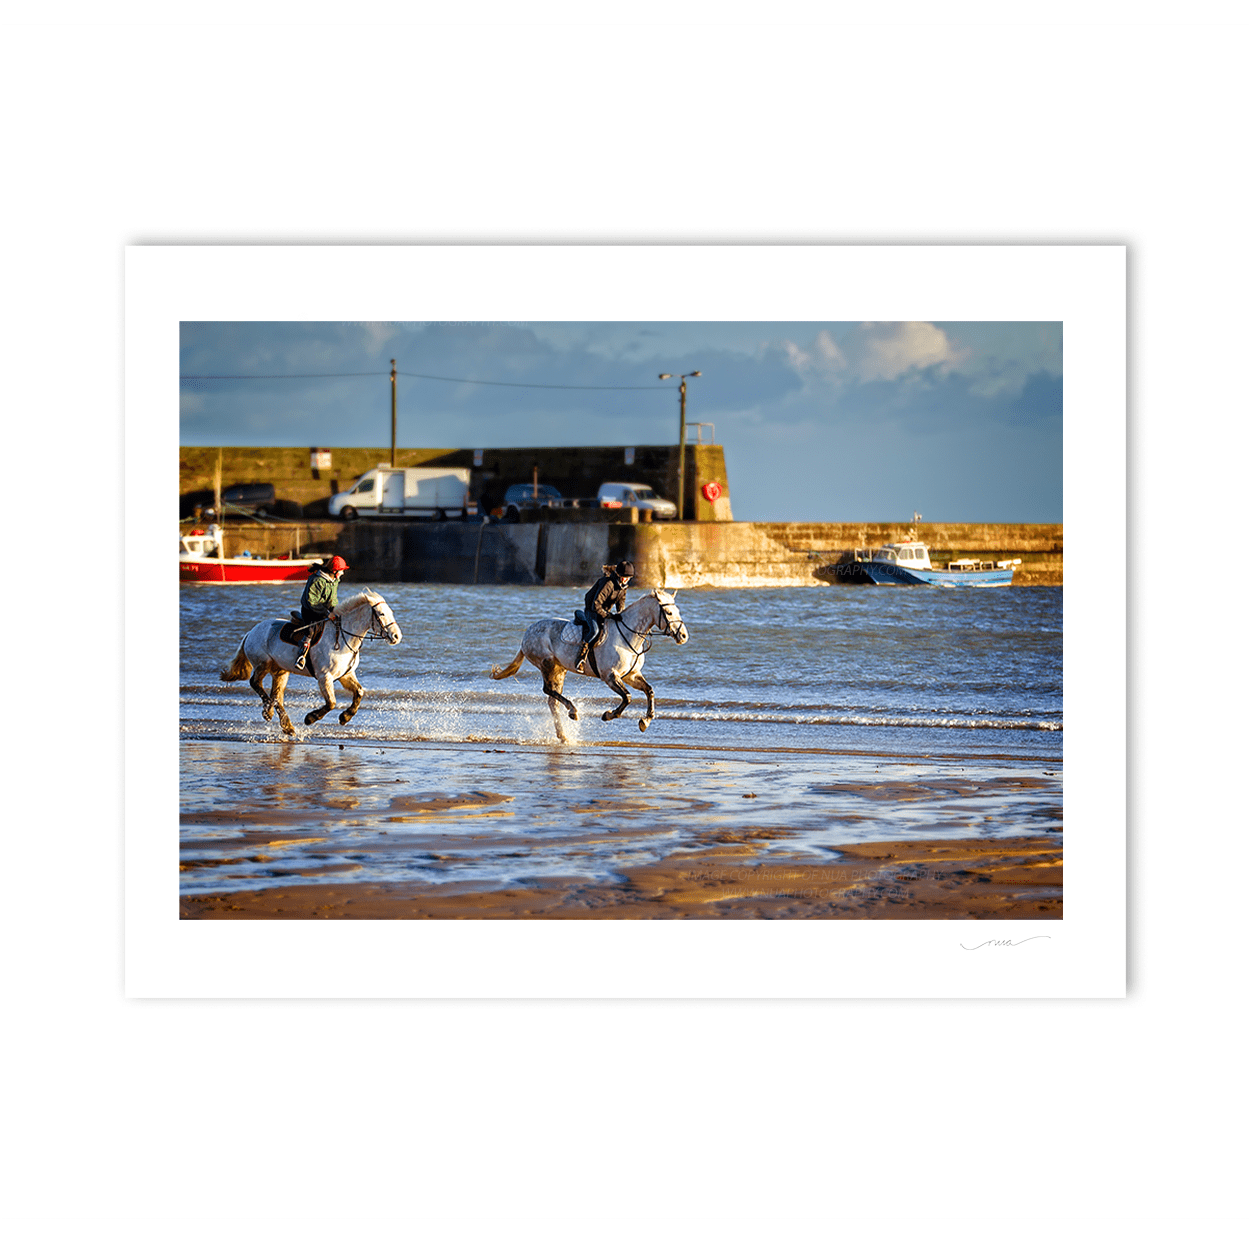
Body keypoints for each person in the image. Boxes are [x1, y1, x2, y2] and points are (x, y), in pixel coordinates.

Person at [575, 560, 634, 674]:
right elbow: (596, 605)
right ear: (618, 575)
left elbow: (621, 604)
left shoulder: (623, 586)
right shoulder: (608, 584)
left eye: (628, 578)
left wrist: (621, 615)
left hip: (604, 612)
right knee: (595, 631)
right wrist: (609, 615)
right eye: (624, 577)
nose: (626, 580)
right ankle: (581, 658)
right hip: (592, 610)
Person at [296, 554, 349, 670]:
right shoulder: (317, 580)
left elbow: (333, 600)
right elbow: (312, 602)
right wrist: (326, 613)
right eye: (341, 571)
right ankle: (302, 655)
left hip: (325, 609)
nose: (343, 573)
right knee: (311, 630)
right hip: (310, 610)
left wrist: (337, 611)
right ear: (334, 571)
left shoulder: (334, 580)